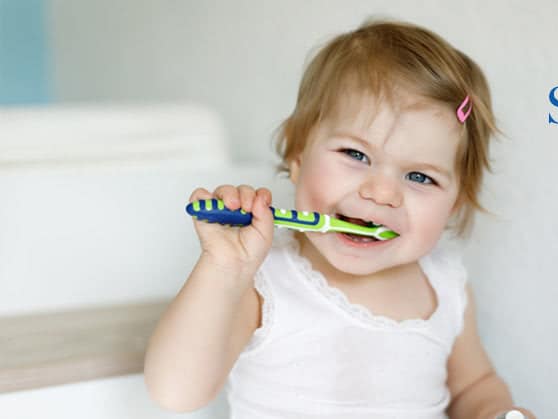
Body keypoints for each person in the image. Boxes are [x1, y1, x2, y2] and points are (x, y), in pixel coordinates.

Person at [144, 18, 536, 419]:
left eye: (420, 177)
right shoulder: (263, 281)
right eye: (356, 155)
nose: (382, 193)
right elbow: (176, 393)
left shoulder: (446, 288)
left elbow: (475, 386)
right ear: (298, 158)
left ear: (453, 205)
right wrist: (223, 269)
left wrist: (493, 413)